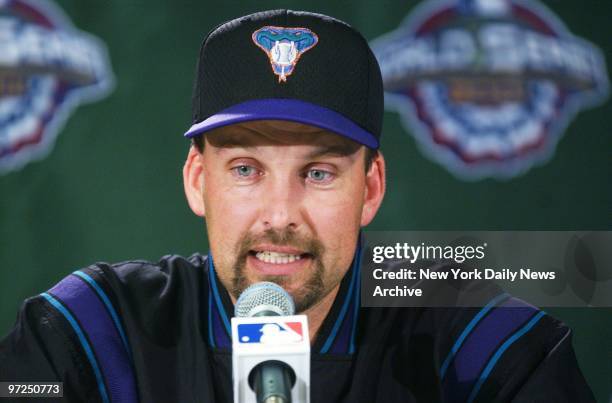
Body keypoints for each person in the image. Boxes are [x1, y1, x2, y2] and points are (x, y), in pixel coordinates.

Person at [0, 9, 595, 403]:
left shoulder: (478, 339)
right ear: (196, 180)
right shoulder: (95, 327)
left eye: (317, 172)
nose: (280, 214)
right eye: (245, 170)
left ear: (370, 188)